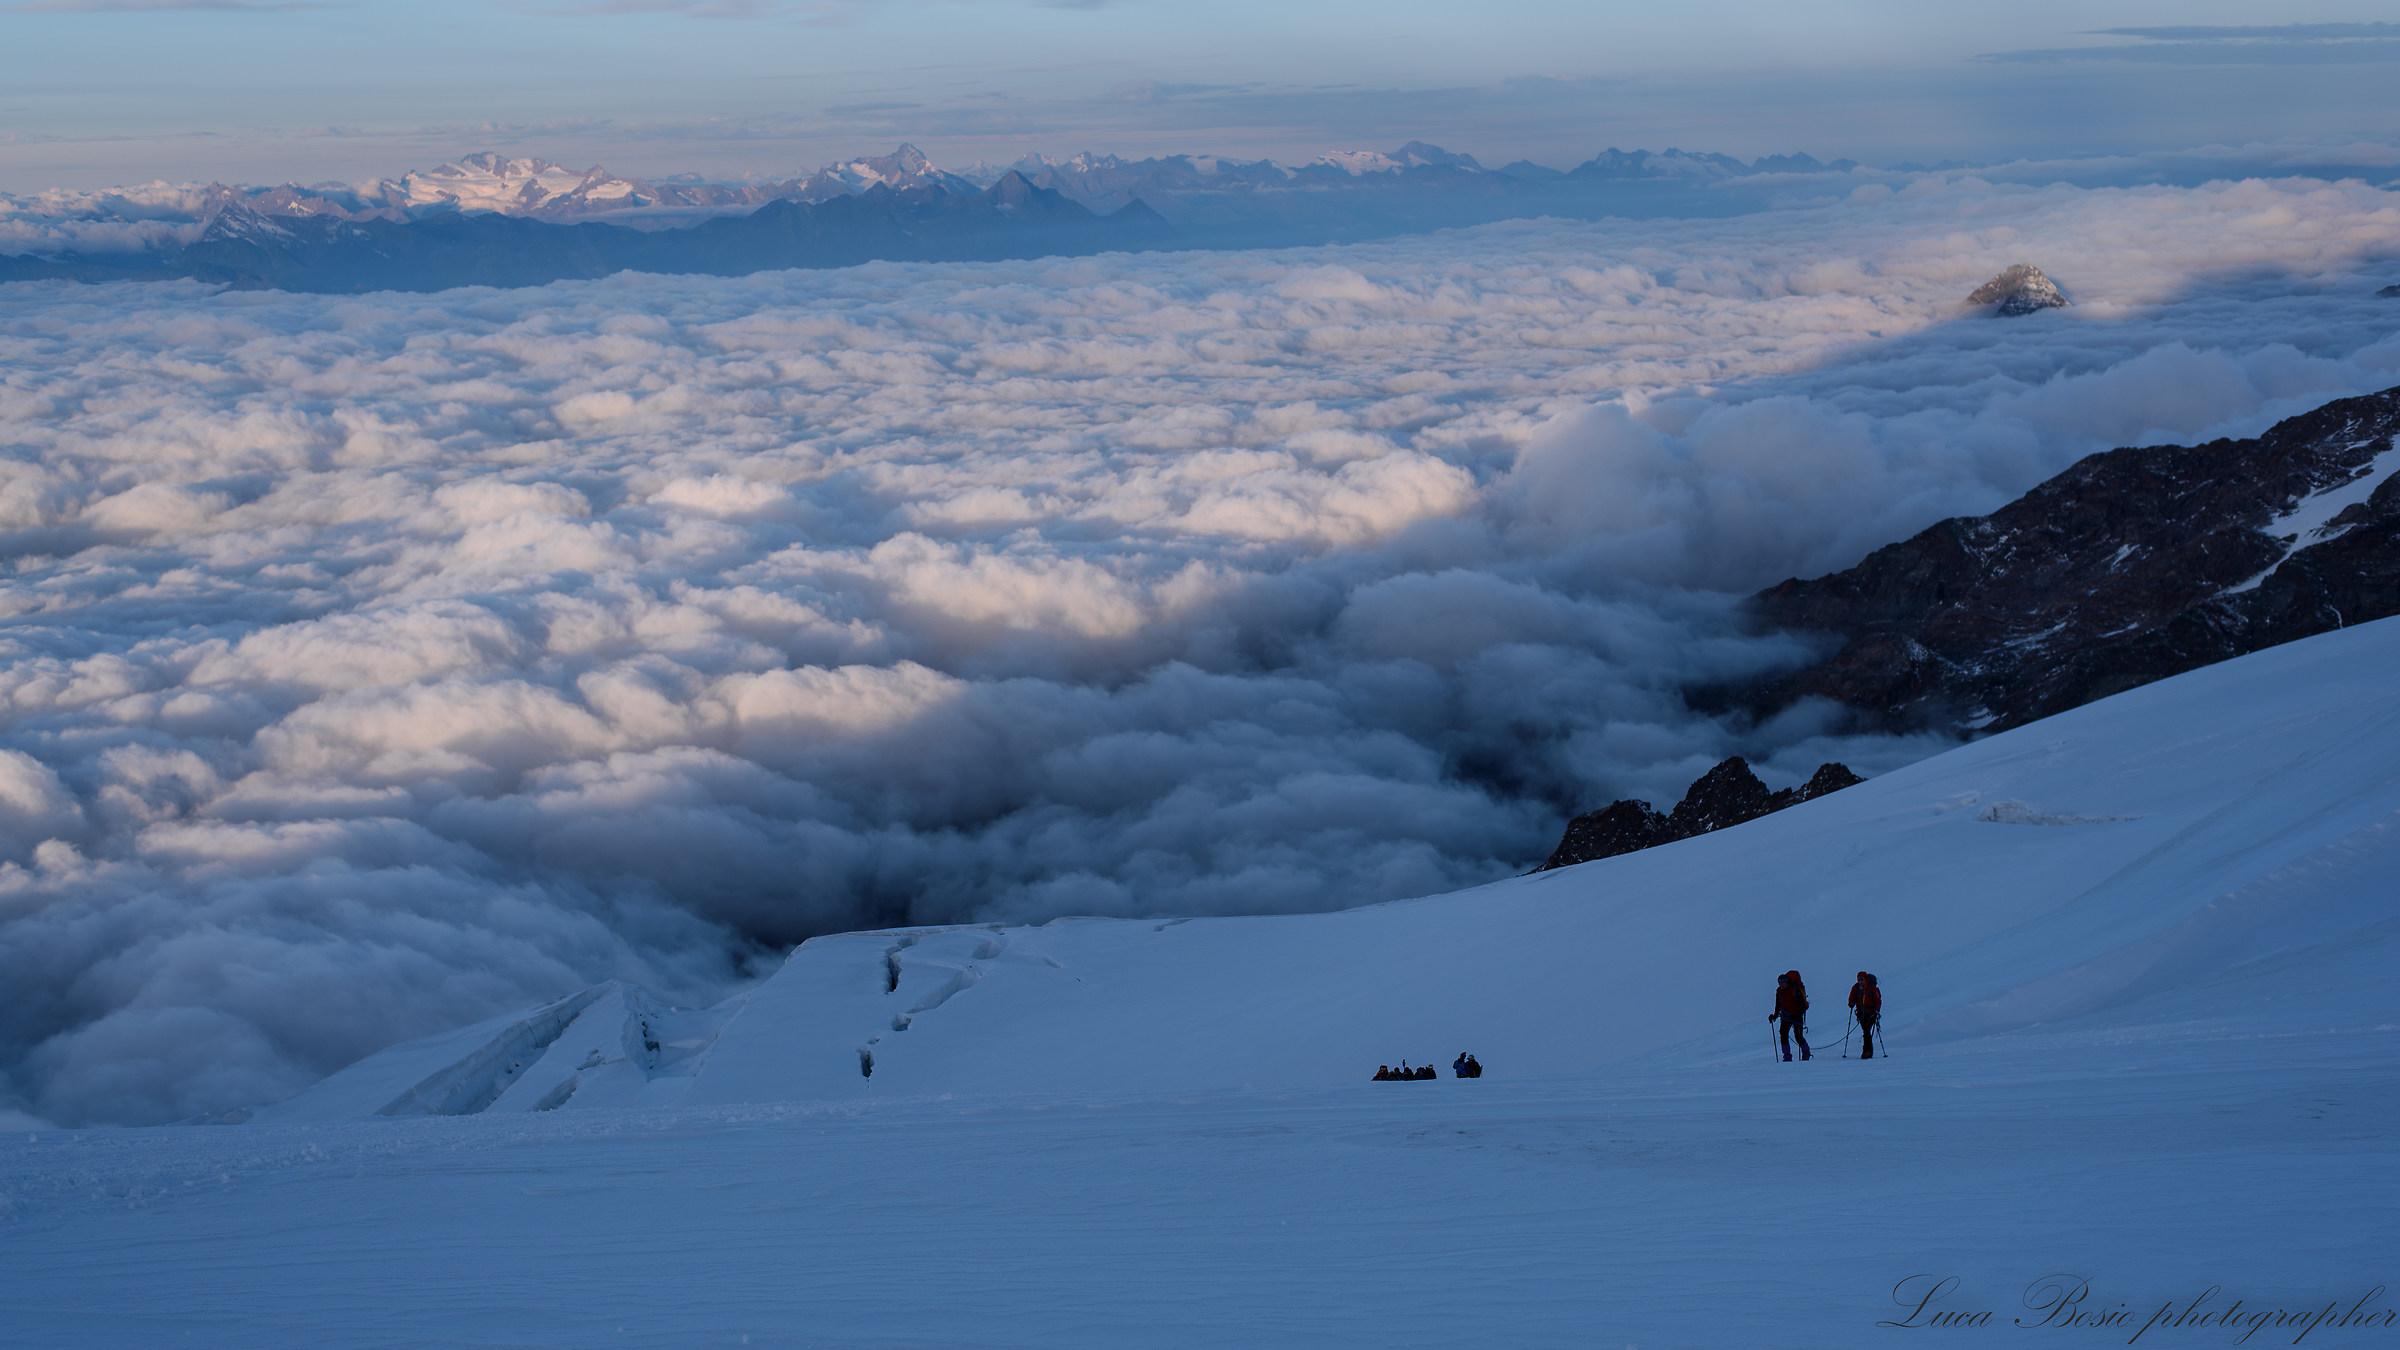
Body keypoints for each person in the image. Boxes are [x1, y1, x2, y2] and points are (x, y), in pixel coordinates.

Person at [1771, 969, 1811, 1061]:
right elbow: (1778, 1004)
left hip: (1795, 1016)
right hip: (1786, 1016)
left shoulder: (1795, 989)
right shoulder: (1779, 991)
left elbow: (1802, 1005)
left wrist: (1798, 1014)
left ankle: (1806, 1053)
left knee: (1798, 1037)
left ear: (1787, 982)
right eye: (1779, 982)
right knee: (1783, 1035)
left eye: (1782, 982)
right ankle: (1787, 1057)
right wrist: (1775, 1015)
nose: (1781, 984)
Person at [1848, 972, 1882, 1059]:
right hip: (1861, 1014)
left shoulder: (1871, 989)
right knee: (1866, 1031)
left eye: (1861, 979)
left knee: (1866, 1031)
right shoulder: (1856, 988)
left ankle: (1867, 1051)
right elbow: (1851, 998)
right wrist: (1851, 1003)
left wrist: (1876, 1011)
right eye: (1859, 979)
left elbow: (1878, 1001)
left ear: (1865, 979)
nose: (1860, 981)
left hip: (1871, 1014)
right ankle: (1868, 1051)